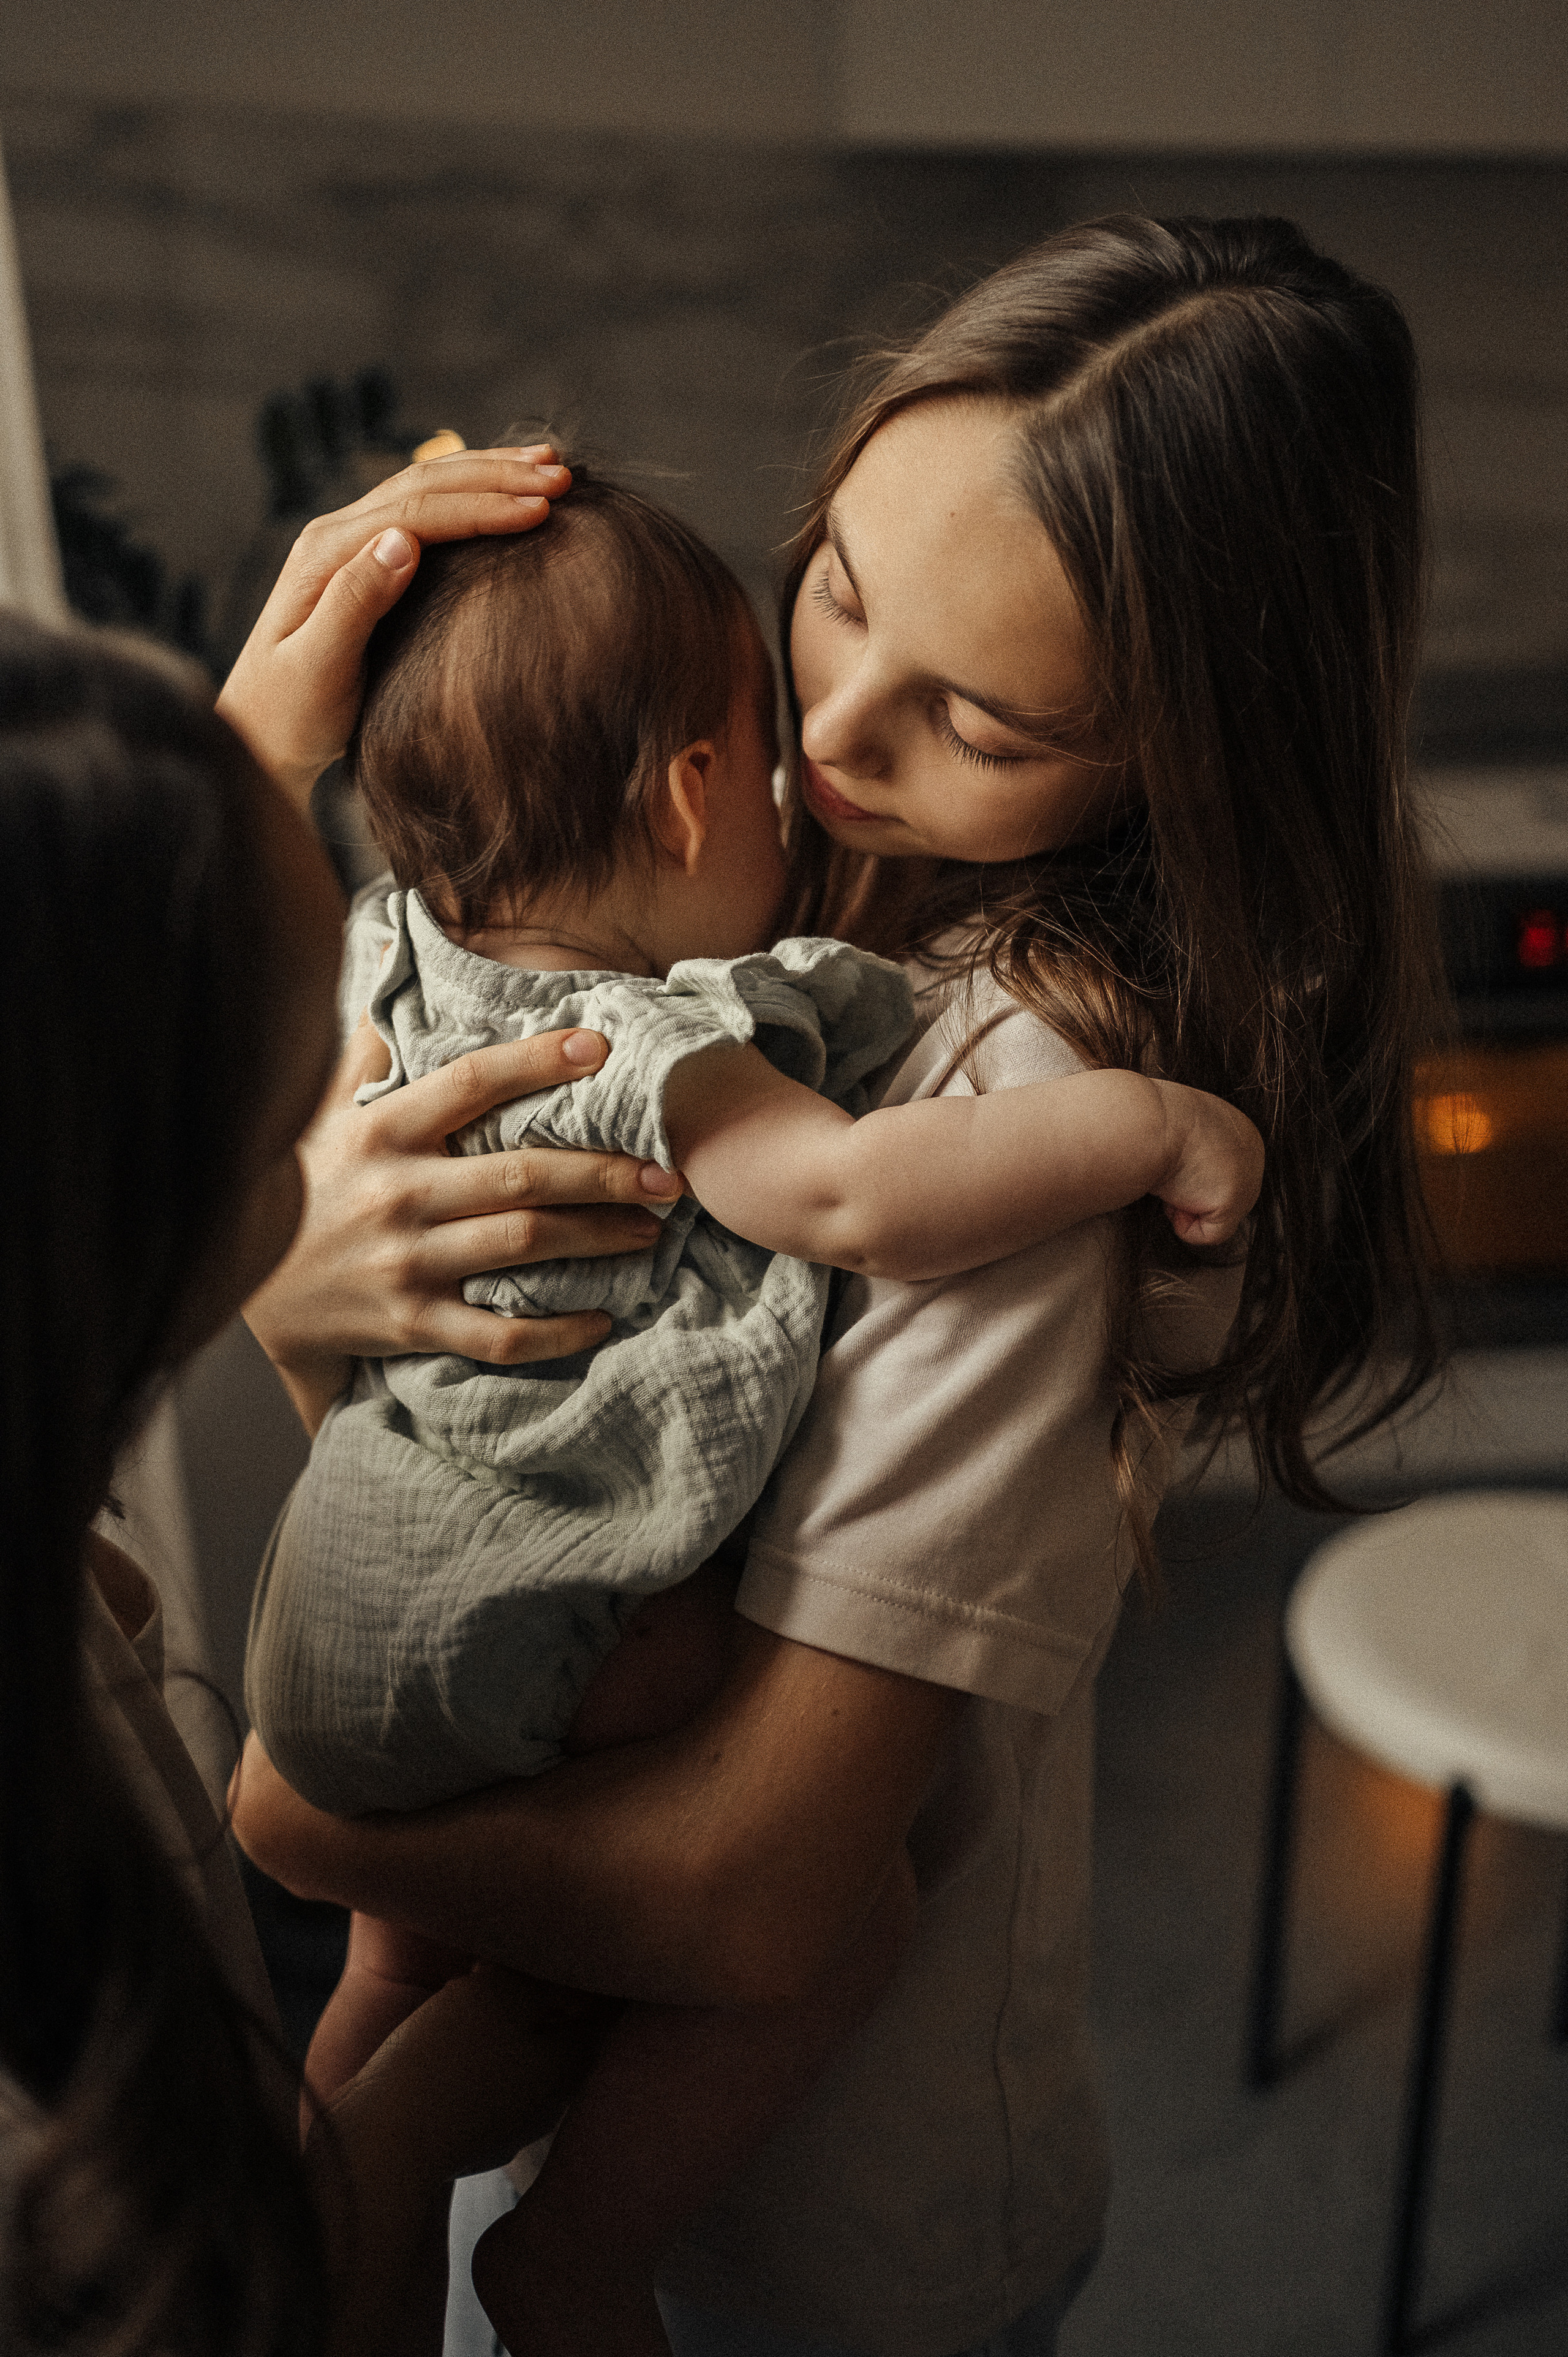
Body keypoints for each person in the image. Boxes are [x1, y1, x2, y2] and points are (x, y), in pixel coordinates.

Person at [225, 214, 1446, 2357]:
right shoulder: (657, 911)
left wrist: (308, 1810)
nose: (825, 739)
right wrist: (304, 1275)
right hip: (553, 2074)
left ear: (1181, 763)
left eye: (975, 717)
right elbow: (493, 1439)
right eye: (842, 595)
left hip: (810, 2252)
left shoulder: (1015, 1114)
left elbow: (762, 1886)